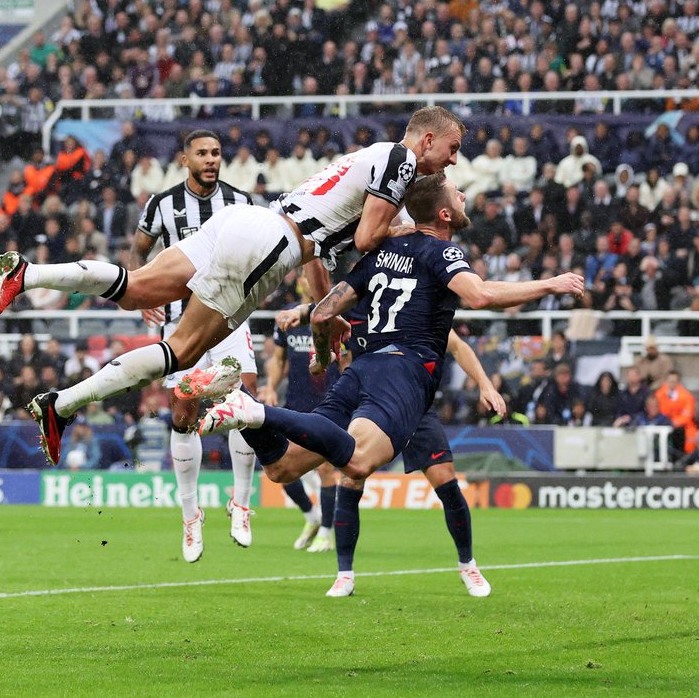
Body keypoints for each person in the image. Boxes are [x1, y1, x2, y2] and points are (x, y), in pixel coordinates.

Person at [0, 107, 466, 464]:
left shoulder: (371, 158)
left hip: (248, 220)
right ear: (426, 139)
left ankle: (27, 275)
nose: (452, 161)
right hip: (271, 246)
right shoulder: (400, 162)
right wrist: (408, 230)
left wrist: (323, 308)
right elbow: (365, 237)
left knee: (135, 288)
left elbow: (322, 254)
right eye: (451, 149)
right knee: (183, 351)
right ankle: (61, 405)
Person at [198, 174, 584, 596]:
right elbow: (481, 296)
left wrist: (324, 355)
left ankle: (243, 404)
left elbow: (325, 312)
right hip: (402, 374)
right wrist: (549, 284)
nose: (463, 195)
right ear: (443, 213)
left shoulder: (382, 251)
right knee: (358, 464)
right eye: (457, 193)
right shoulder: (443, 251)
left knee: (281, 468)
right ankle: (256, 411)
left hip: (360, 372)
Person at [276, 297, 506, 596]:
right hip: (369, 405)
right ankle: (344, 574)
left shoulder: (412, 314)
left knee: (446, 480)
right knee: (351, 477)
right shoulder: (358, 305)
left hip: (414, 406)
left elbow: (458, 346)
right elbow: (324, 307)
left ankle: (468, 565)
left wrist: (485, 385)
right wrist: (297, 312)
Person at [127, 129, 262, 563]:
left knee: (244, 401)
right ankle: (190, 515)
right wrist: (141, 293)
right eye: (202, 153)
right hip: (178, 319)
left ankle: (241, 504)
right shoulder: (162, 204)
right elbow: (139, 251)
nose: (210, 159)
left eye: (216, 153)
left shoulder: (242, 202)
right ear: (185, 159)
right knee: (184, 413)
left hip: (229, 314)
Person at [265, 290, 342, 552]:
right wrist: (271, 387)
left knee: (325, 469)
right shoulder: (289, 319)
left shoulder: (334, 314)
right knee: (281, 467)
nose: (308, 279)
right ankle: (311, 517)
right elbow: (277, 359)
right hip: (295, 404)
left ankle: (326, 532)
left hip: (327, 405)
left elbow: (345, 359)